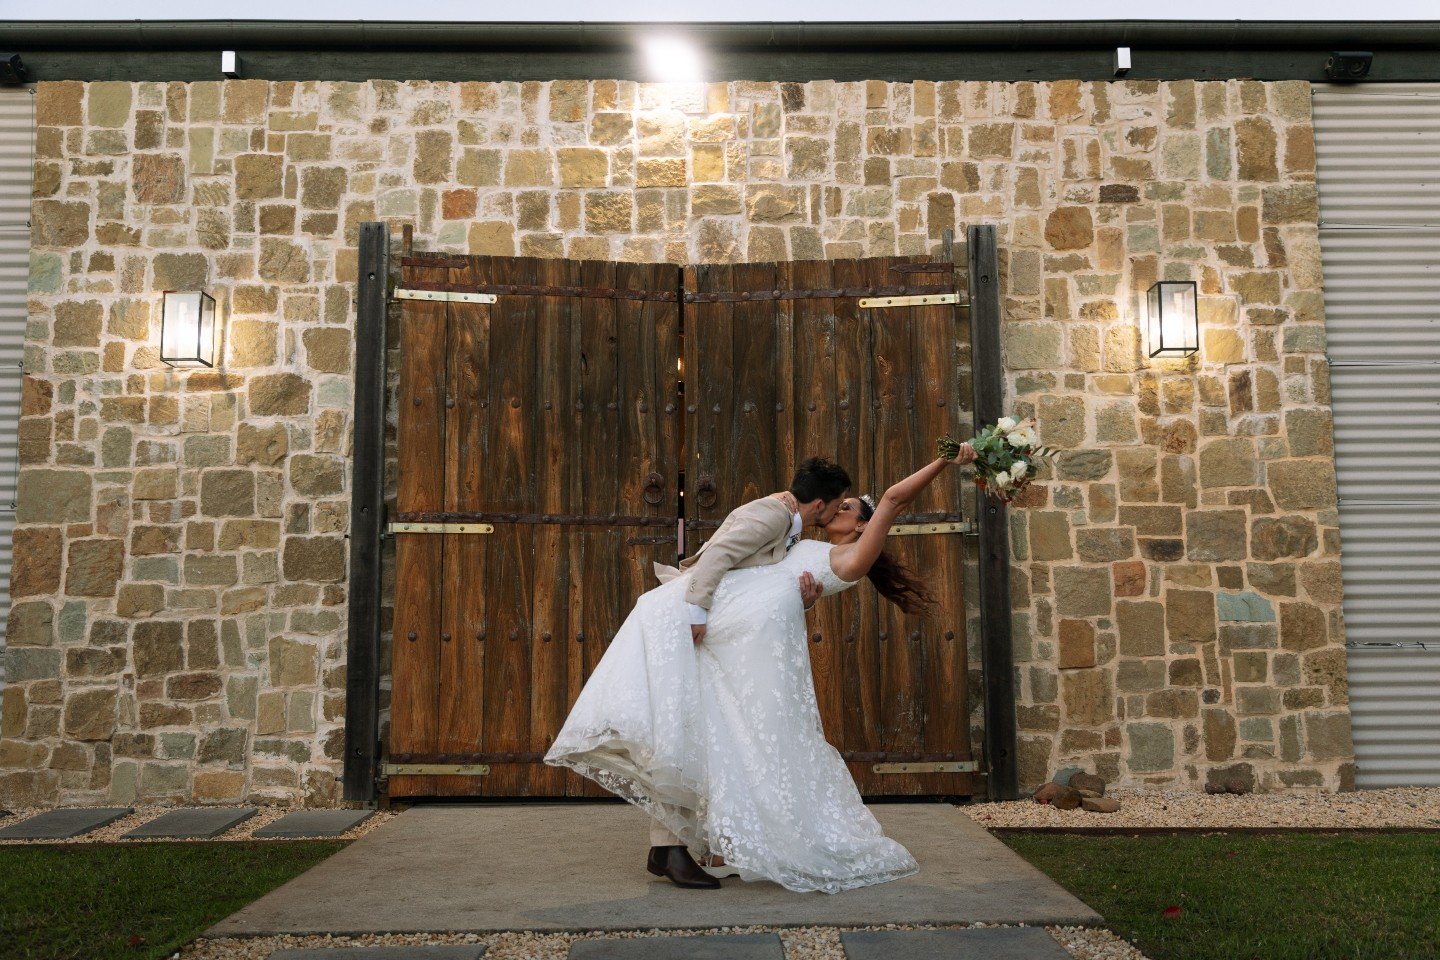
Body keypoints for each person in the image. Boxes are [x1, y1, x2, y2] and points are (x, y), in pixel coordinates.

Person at [544, 445, 975, 894]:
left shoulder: (853, 556)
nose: (839, 510)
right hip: (723, 631)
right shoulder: (792, 526)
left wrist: (945, 458)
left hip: (749, 646)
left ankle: (678, 846)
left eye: (849, 508)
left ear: (863, 524)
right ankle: (672, 848)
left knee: (717, 735)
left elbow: (892, 499)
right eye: (837, 502)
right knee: (699, 731)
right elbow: (757, 547)